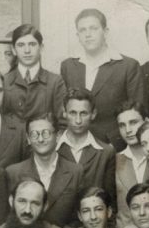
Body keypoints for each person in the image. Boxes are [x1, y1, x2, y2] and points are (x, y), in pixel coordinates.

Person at [60, 8, 143, 147]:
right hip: (76, 145)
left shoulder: (128, 66)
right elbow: (64, 110)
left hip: (114, 146)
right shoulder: (68, 66)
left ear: (105, 32)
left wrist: (114, 143)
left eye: (93, 28)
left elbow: (138, 113)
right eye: (83, 30)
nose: (88, 34)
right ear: (77, 35)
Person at [6, 114, 84, 228]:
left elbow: (79, 214)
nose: (41, 139)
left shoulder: (75, 171)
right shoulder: (13, 172)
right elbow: (8, 216)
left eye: (46, 133)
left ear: (57, 136)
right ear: (28, 139)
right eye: (34, 134)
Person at [1, 24, 66, 124]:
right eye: (21, 45)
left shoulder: (55, 82)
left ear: (41, 48)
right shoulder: (3, 82)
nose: (27, 50)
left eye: (32, 44)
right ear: (13, 50)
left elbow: (63, 123)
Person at [56, 88, 116, 197]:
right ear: (64, 113)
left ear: (93, 114)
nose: (78, 120)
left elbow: (110, 198)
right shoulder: (52, 148)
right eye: (73, 113)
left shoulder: (106, 152)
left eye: (83, 113)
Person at [114, 100, 149, 228]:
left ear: (146, 121)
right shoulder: (114, 161)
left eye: (133, 122)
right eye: (122, 125)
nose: (128, 130)